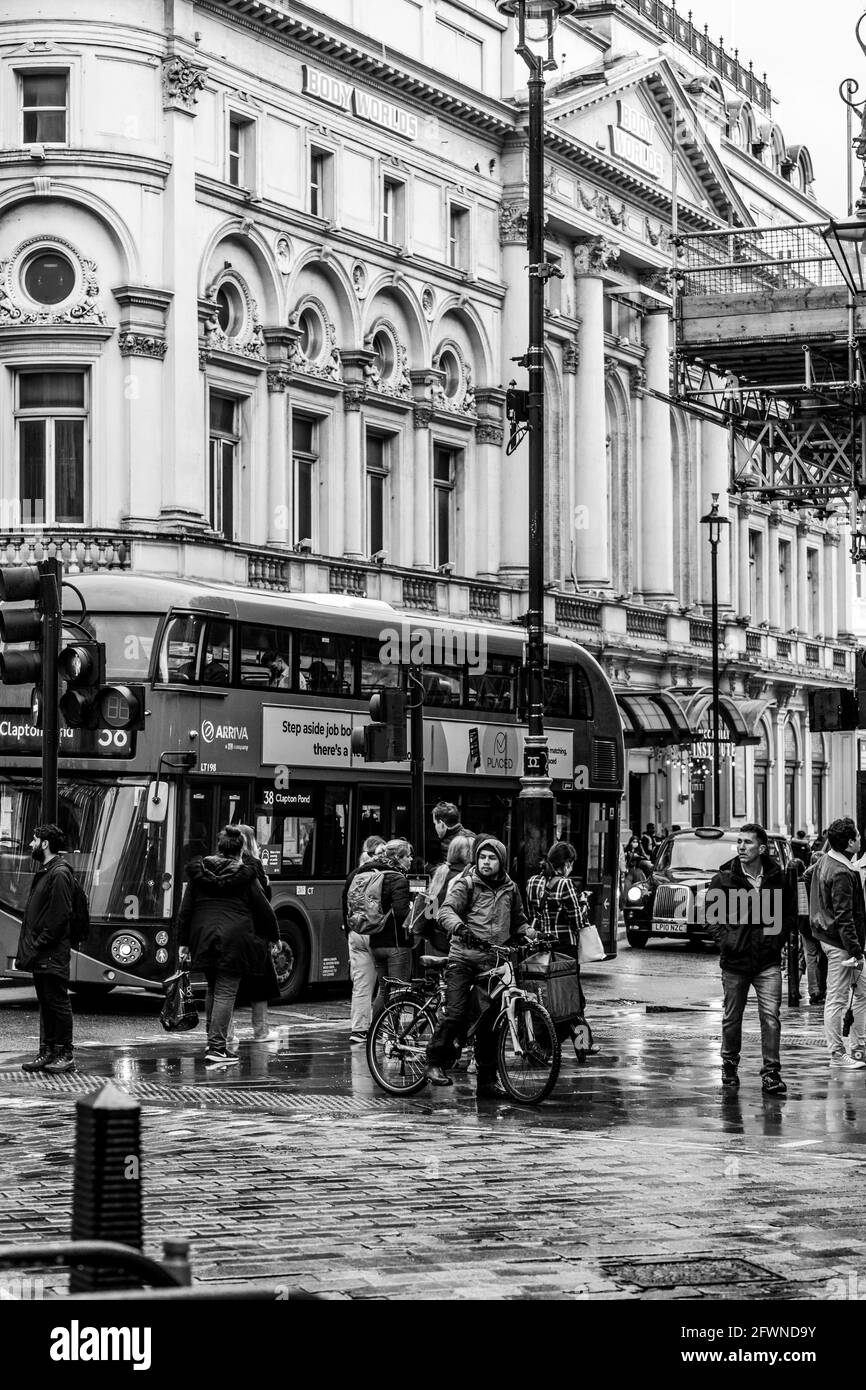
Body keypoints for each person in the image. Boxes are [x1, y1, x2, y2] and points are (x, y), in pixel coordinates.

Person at [426, 836, 534, 1098]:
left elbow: (518, 922)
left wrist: (531, 933)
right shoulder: (467, 884)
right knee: (456, 1012)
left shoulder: (511, 889)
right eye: (482, 857)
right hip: (463, 959)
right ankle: (435, 1062)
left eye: (492, 858)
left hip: (494, 964)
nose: (486, 862)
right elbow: (445, 911)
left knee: (490, 1024)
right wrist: (461, 928)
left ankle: (487, 1081)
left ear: (502, 861)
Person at [177, 825, 279, 1064]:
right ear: (240, 850)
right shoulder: (245, 876)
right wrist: (274, 937)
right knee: (225, 991)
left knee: (213, 988)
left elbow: (186, 910)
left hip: (203, 937)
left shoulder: (199, 873)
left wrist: (183, 942)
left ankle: (212, 1041)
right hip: (235, 940)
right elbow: (263, 909)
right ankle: (217, 1047)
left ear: (219, 847)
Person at [706, 822, 795, 1095]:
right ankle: (729, 1064)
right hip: (735, 962)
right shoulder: (724, 879)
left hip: (767, 962)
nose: (742, 847)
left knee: (771, 1018)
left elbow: (788, 915)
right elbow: (712, 919)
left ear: (762, 848)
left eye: (748, 843)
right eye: (740, 842)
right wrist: (727, 943)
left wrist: (775, 941)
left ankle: (771, 1074)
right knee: (732, 1018)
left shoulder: (777, 878)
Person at [16, 825, 77, 1074]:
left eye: (34, 839)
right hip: (42, 951)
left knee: (58, 1002)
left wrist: (39, 943)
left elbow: (59, 915)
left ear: (45, 844)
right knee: (47, 1002)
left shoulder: (59, 873)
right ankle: (48, 1052)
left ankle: (65, 1053)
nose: (31, 844)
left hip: (51, 951)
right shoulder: (48, 871)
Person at [809, 816, 866, 1071]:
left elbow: (807, 876)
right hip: (840, 943)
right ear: (850, 842)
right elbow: (845, 915)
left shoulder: (827, 860)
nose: (861, 839)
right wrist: (855, 950)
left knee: (860, 992)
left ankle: (857, 1046)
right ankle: (837, 1053)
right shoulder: (842, 871)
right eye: (857, 836)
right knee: (837, 998)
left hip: (830, 938)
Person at [342, 838, 412, 1044]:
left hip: (367, 937)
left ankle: (366, 1031)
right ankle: (391, 1036)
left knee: (377, 988)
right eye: (407, 855)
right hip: (394, 941)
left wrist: (349, 932)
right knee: (399, 991)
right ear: (398, 858)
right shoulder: (397, 878)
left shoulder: (358, 874)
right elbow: (401, 914)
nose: (411, 859)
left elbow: (345, 905)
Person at [526, 842, 592, 1023]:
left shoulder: (532, 882)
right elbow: (578, 921)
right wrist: (584, 902)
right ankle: (583, 1044)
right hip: (565, 948)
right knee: (573, 997)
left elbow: (533, 916)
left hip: (540, 947)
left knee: (547, 995)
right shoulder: (565, 884)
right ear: (567, 864)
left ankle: (548, 1040)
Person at [236, 824, 280, 1042]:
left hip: (228, 933)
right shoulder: (253, 866)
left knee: (224, 988)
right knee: (260, 985)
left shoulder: (217, 863)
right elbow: (264, 904)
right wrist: (275, 936)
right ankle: (261, 1031)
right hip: (254, 934)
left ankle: (224, 1035)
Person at [342, 835, 386, 1043]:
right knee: (386, 984)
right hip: (376, 933)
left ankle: (359, 1030)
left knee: (361, 984)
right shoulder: (384, 874)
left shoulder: (354, 875)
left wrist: (349, 933)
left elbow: (345, 906)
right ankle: (383, 1028)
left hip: (356, 933)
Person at [411, 834, 475, 960]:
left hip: (437, 938)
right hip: (459, 938)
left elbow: (431, 909)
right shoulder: (468, 876)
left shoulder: (441, 873)